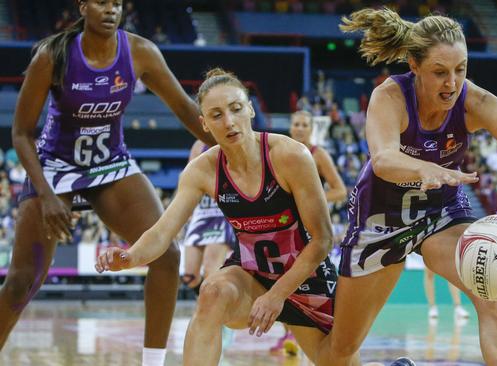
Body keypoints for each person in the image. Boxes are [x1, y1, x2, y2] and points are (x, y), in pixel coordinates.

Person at [310, 8, 497, 366]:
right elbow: (383, 159)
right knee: (339, 351)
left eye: (461, 70)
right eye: (440, 72)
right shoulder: (391, 97)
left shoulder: (475, 102)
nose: (452, 83)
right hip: (379, 222)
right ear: (414, 65)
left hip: (440, 215)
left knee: (490, 290)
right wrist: (423, 168)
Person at [0, 2, 214, 366]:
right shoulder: (53, 55)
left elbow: (184, 107)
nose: (111, 9)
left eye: (117, 2)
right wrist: (48, 195)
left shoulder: (140, 51)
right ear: (83, 6)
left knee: (166, 254)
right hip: (56, 165)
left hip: (110, 163)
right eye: (101, 1)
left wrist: (235, 148)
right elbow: (21, 132)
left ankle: (152, 362)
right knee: (23, 280)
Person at [95, 68, 354, 366]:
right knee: (212, 293)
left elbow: (322, 240)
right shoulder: (202, 169)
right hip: (253, 275)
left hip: (308, 278)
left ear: (250, 109)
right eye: (216, 115)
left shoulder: (290, 155)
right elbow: (162, 232)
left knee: (338, 362)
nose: (229, 121)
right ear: (204, 124)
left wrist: (277, 296)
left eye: (235, 109)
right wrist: (130, 257)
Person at [268, 109, 349, 355]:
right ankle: (288, 335)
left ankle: (322, 334)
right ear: (291, 127)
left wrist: (312, 199)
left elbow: (340, 190)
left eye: (305, 124)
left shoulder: (318, 154)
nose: (300, 128)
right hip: (286, 226)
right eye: (297, 124)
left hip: (312, 228)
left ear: (312, 128)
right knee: (282, 278)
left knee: (309, 280)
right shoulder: (280, 151)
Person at [181, 140, 235, 294]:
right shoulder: (198, 144)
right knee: (189, 276)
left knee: (211, 272)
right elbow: (189, 177)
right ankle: (212, 301)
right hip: (202, 209)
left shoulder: (232, 138)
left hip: (222, 210)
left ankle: (211, 312)